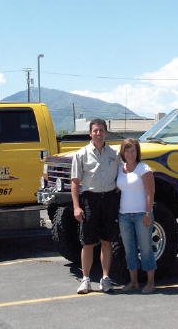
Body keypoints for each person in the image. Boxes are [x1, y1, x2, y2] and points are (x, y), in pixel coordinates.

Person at [71, 118, 120, 294]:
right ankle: (86, 279)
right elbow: (75, 183)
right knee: (88, 242)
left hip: (109, 200)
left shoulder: (115, 154)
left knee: (107, 241)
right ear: (90, 133)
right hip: (90, 200)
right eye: (95, 131)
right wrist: (76, 207)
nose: (98, 133)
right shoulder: (81, 154)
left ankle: (105, 278)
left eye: (101, 130)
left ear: (105, 133)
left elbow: (123, 175)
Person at [116, 138, 156, 293]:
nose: (130, 153)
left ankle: (150, 282)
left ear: (137, 152)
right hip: (124, 215)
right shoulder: (120, 168)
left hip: (141, 214)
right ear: (123, 152)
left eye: (133, 150)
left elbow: (150, 193)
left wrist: (147, 212)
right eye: (127, 150)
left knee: (146, 249)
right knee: (129, 249)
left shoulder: (144, 168)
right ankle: (133, 282)